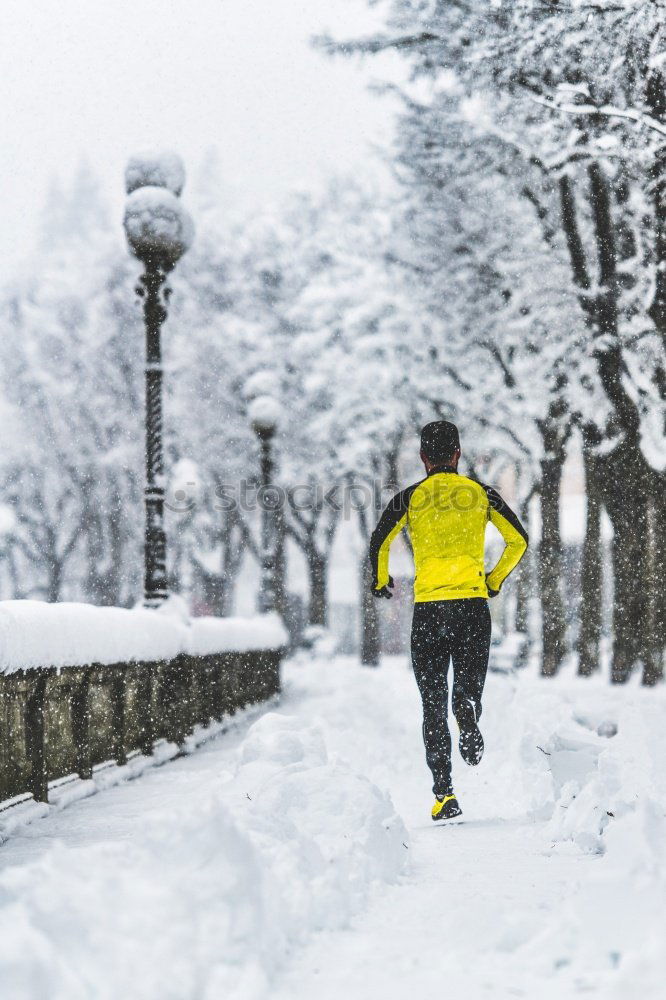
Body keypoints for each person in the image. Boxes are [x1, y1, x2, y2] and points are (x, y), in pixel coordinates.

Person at [368, 421, 528, 821]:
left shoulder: (409, 498)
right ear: (457, 454)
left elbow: (379, 541)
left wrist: (380, 580)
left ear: (424, 457)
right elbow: (518, 540)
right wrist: (493, 580)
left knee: (432, 704)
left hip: (429, 610)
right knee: (467, 686)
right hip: (472, 606)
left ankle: (444, 795)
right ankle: (468, 705)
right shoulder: (480, 494)